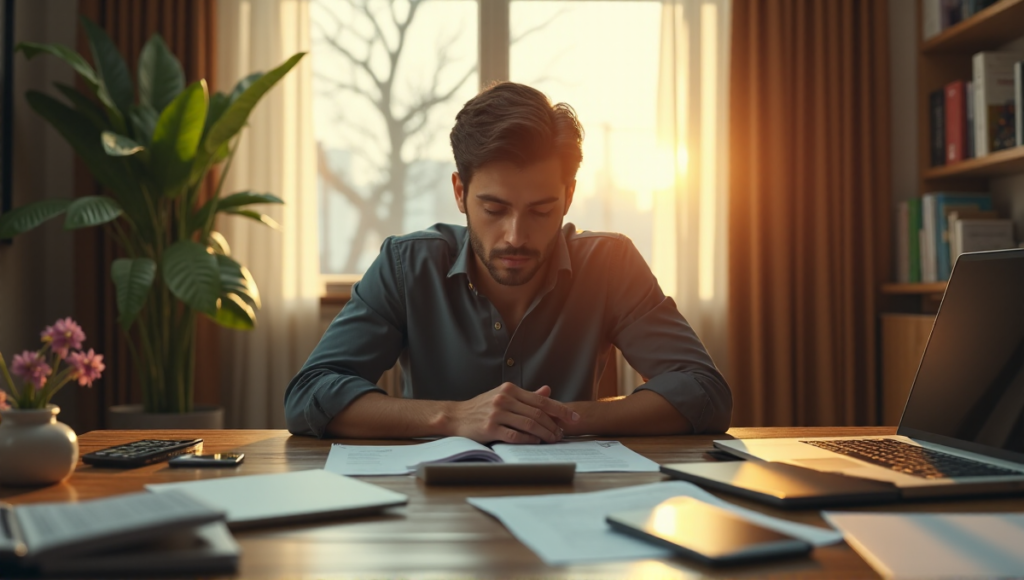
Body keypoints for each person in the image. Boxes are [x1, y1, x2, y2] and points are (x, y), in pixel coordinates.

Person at [285, 82, 731, 441]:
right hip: (434, 517)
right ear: (460, 193)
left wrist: (561, 418)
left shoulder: (610, 263)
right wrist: (454, 418)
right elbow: (310, 395)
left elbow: (704, 391)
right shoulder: (406, 265)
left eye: (540, 210)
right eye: (494, 209)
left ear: (568, 197)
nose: (516, 236)